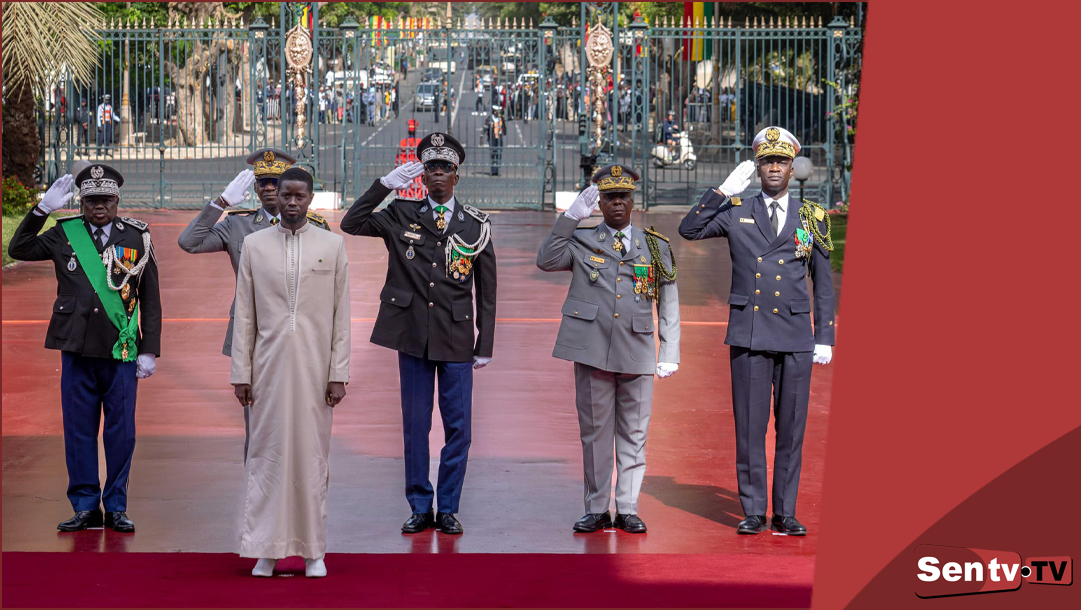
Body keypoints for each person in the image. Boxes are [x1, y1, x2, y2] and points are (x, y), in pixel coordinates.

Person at [678, 127, 836, 537]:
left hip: (796, 334)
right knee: (750, 427)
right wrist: (720, 192)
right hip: (750, 333)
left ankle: (784, 512)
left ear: (792, 168)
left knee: (791, 427)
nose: (774, 168)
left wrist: (825, 336)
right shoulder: (737, 210)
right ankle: (752, 510)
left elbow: (823, 281)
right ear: (758, 168)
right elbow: (689, 230)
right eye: (767, 162)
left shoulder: (811, 216)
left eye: (781, 161)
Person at [339, 133, 497, 536]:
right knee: (415, 426)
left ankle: (448, 508)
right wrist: (384, 186)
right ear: (422, 176)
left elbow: (487, 290)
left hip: (456, 338)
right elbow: (351, 222)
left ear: (456, 176)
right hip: (411, 335)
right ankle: (419, 506)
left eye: (445, 168)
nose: (438, 174)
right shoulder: (401, 213)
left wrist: (485, 343)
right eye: (431, 168)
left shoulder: (475, 224)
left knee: (459, 428)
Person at [7, 165, 161, 533]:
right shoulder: (65, 233)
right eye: (91, 200)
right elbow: (18, 248)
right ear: (81, 202)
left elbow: (151, 298)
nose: (99, 207)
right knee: (78, 430)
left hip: (120, 349)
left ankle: (117, 506)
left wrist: (149, 349)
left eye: (105, 199)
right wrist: (42, 209)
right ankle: (85, 506)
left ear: (117, 200)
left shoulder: (137, 236)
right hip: (75, 347)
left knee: (122, 433)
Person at [536, 165, 680, 534]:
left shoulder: (654, 245)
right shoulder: (582, 240)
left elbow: (669, 301)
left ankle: (628, 508)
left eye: (623, 196)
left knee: (634, 434)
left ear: (633, 201)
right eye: (610, 197)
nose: (617, 202)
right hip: (592, 349)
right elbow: (546, 260)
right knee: (596, 433)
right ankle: (598, 508)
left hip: (637, 349)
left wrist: (670, 351)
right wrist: (570, 218)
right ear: (598, 203)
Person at [231, 167, 350, 579]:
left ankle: (313, 551)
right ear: (275, 197)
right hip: (266, 370)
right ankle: (266, 549)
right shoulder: (254, 245)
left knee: (311, 459)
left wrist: (339, 372)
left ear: (311, 199)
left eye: (300, 196)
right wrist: (241, 373)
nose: (292, 202)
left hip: (317, 373)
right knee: (267, 457)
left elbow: (341, 316)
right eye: (286, 195)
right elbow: (245, 315)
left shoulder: (332, 245)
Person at [178, 149, 330, 459]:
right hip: (255, 332)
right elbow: (189, 242)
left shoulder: (315, 225)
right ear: (255, 188)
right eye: (263, 182)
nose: (269, 188)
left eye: (276, 182)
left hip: (300, 331)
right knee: (258, 421)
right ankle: (256, 478)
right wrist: (221, 202)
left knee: (303, 416)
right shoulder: (237, 225)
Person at [484, 106, 504, 176]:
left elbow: (510, 118)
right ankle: (492, 170)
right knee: (492, 154)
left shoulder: (501, 118)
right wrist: (481, 136)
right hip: (492, 138)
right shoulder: (489, 119)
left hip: (499, 138)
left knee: (499, 154)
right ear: (494, 112)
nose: (498, 113)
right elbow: (485, 127)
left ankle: (497, 170)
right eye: (497, 111)